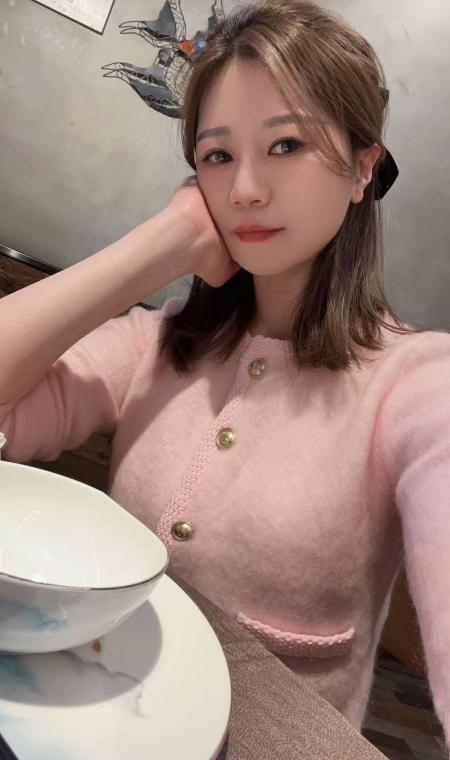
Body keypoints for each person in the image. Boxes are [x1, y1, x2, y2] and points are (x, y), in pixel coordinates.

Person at [1, 0, 450, 747]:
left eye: (286, 145)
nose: (244, 189)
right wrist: (167, 239)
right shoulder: (158, 344)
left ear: (363, 169)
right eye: (216, 156)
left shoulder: (417, 383)